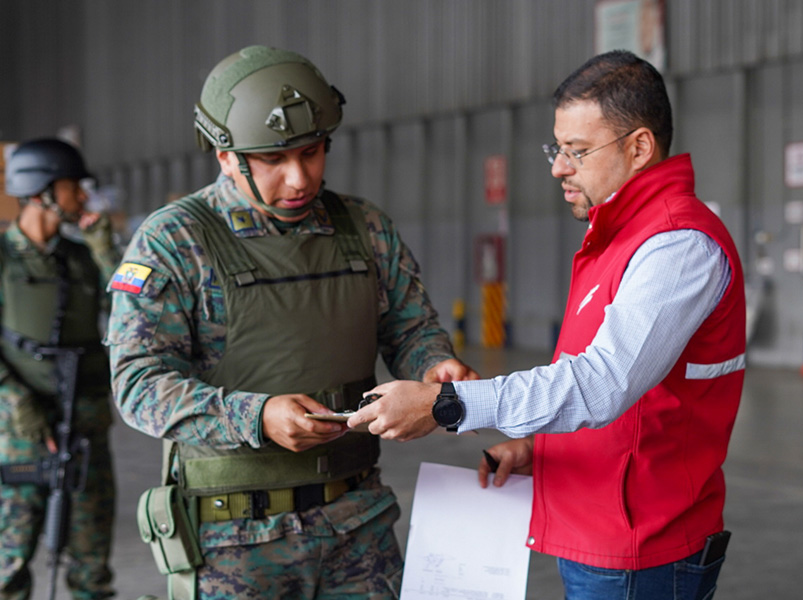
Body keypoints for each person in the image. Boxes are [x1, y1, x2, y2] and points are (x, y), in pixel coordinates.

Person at [349, 50, 746, 600]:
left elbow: (603, 382)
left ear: (639, 148)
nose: (559, 167)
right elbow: (629, 397)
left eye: (578, 152)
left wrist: (445, 405)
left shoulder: (677, 247)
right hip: (600, 532)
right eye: (557, 149)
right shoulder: (620, 237)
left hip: (640, 551)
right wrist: (540, 450)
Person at [105, 45, 476, 599]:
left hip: (358, 523)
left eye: (312, 152)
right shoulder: (175, 241)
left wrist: (432, 365)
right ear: (226, 156)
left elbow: (408, 327)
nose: (299, 178)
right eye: (274, 160)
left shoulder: (364, 228)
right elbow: (137, 384)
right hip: (233, 540)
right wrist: (256, 416)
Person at [0, 139, 119, 599]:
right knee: (10, 561)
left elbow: (132, 308)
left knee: (92, 563)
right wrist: (17, 403)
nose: (83, 197)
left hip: (86, 422)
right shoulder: (4, 258)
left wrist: (105, 249)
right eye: (75, 187)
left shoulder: (85, 258)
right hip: (22, 431)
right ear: (44, 190)